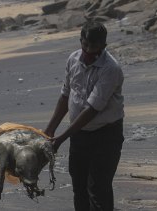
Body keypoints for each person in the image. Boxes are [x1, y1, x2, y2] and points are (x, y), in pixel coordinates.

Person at [44, 21, 124, 211]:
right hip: (79, 135)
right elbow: (66, 95)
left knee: (98, 189)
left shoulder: (111, 69)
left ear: (103, 46)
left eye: (94, 46)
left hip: (106, 135)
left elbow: (92, 109)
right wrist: (50, 129)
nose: (88, 50)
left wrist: (62, 138)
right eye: (85, 44)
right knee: (79, 187)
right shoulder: (73, 59)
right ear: (81, 40)